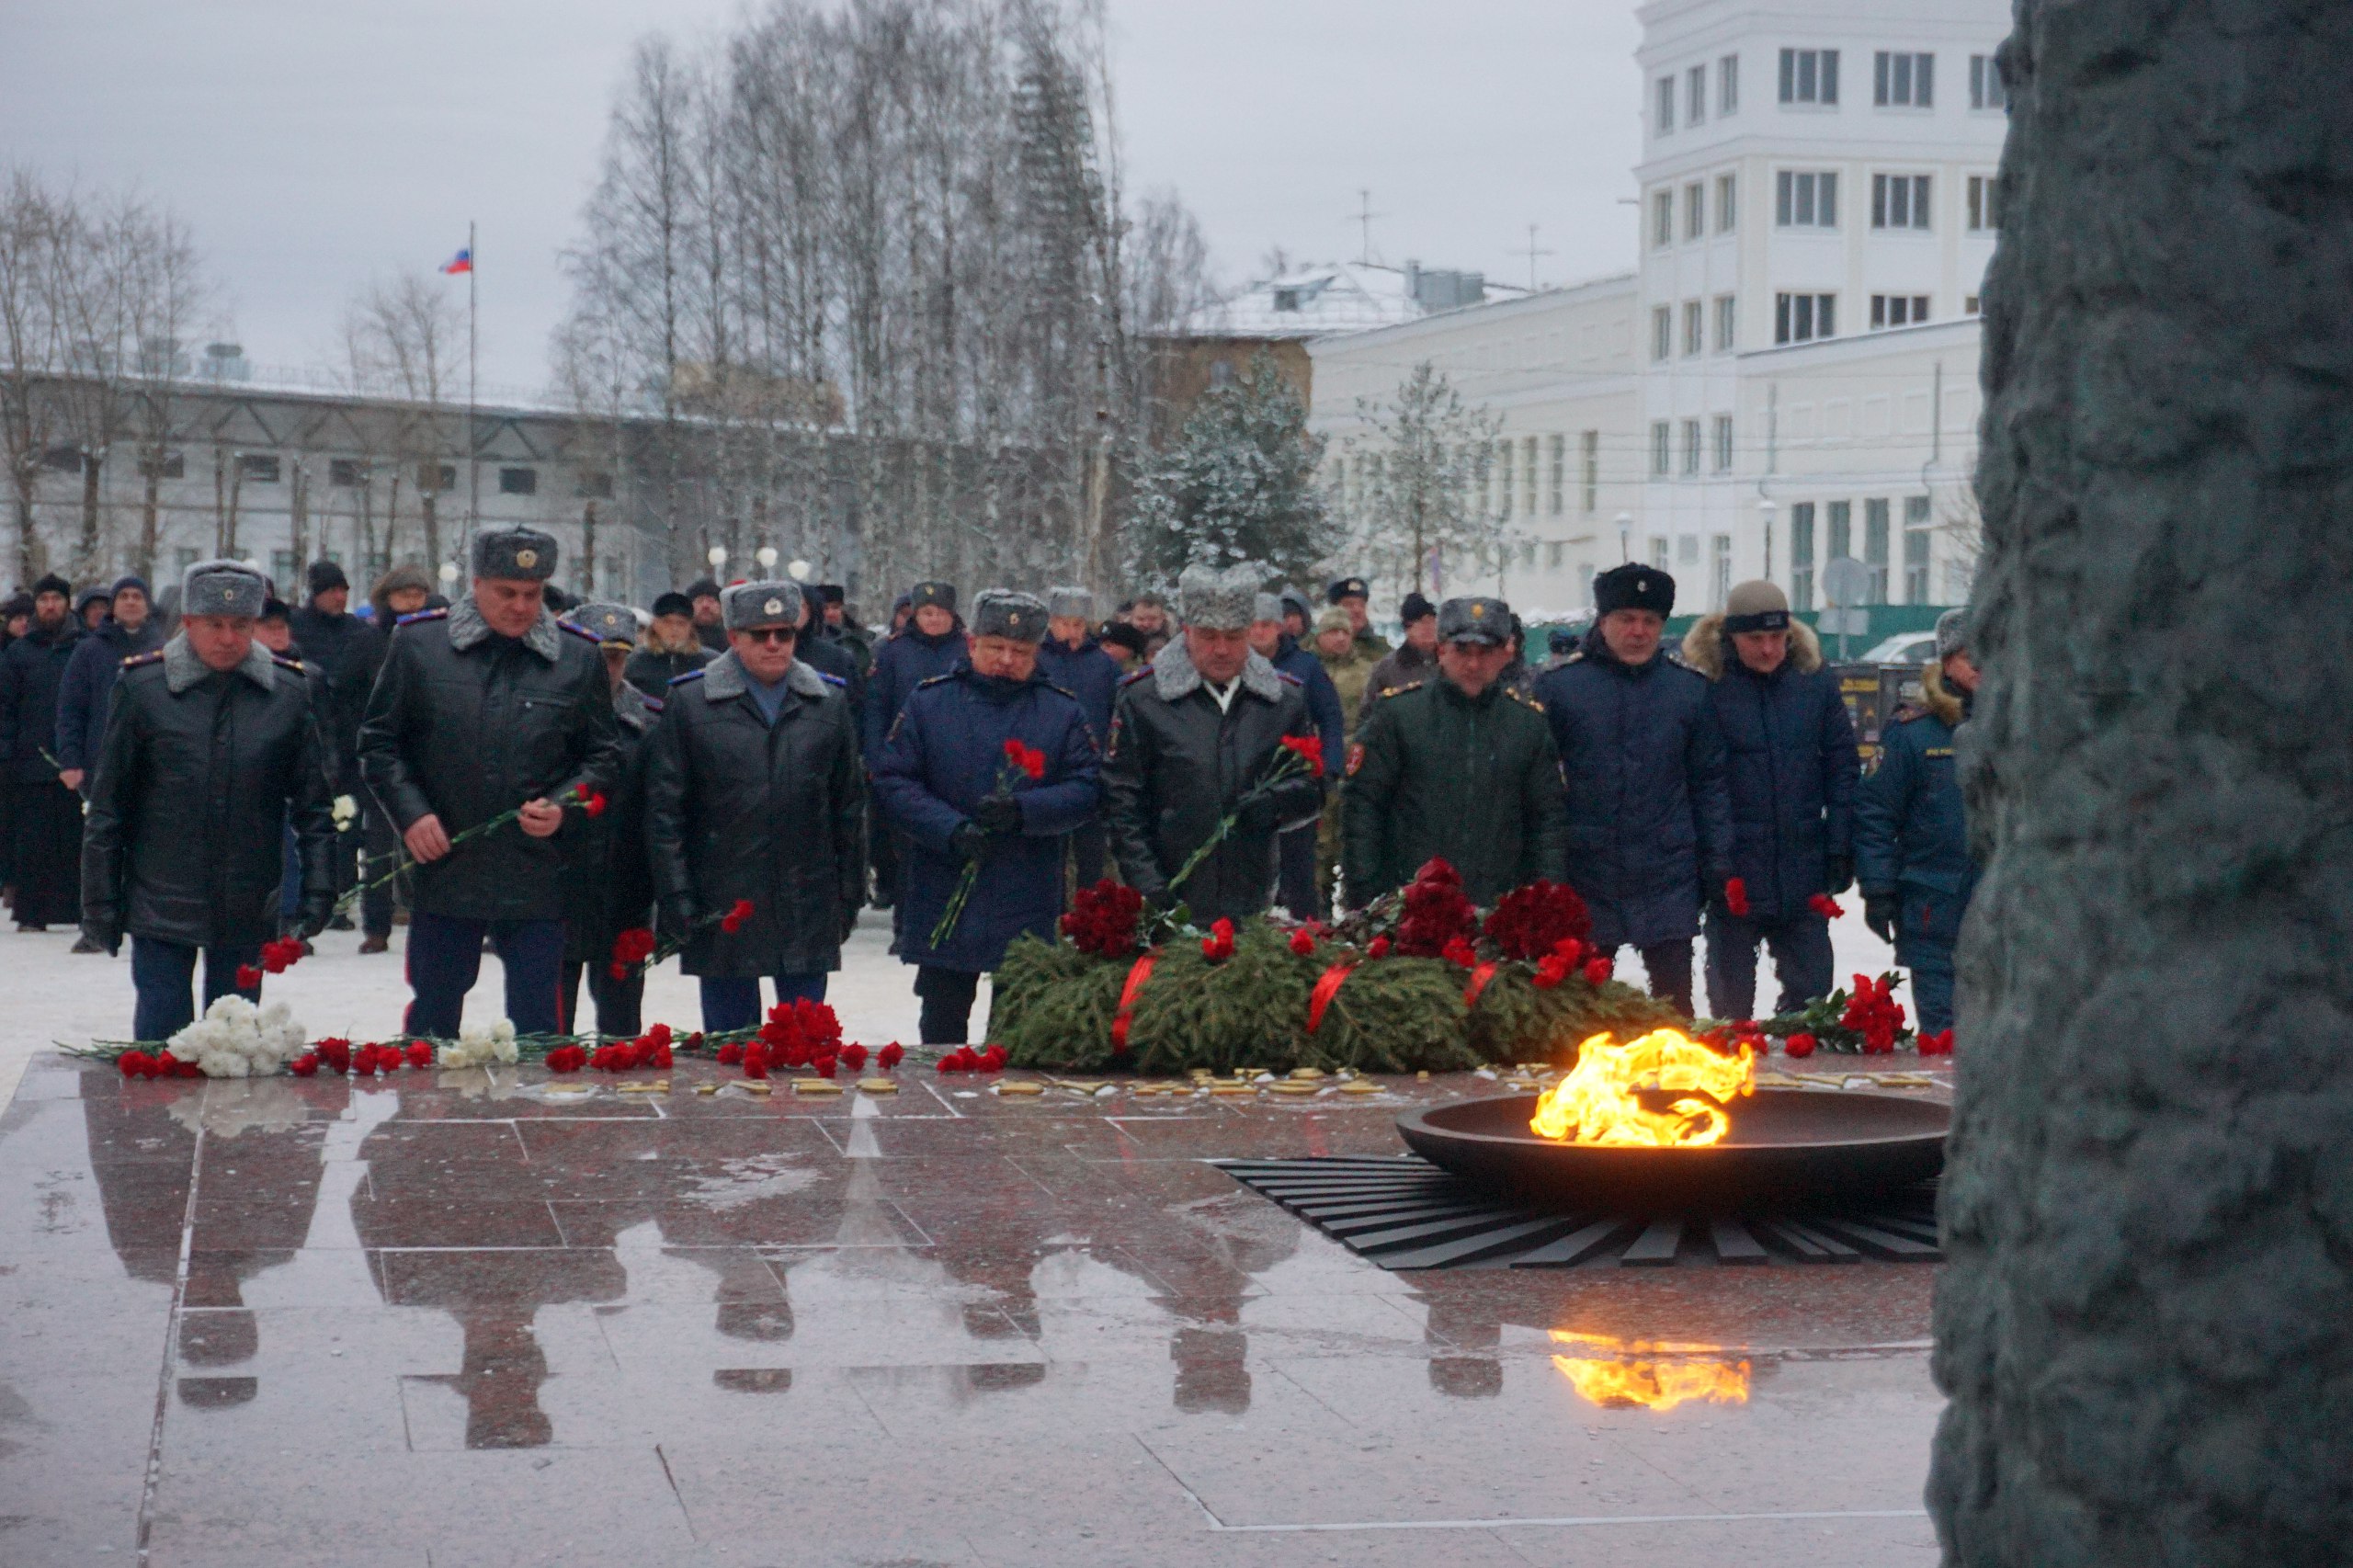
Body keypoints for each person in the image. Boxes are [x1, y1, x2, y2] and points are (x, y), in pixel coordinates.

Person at [358, 527, 623, 1038]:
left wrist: (565, 806)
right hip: (445, 864)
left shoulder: (577, 656)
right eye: (507, 592)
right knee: (433, 1019)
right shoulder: (420, 645)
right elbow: (379, 744)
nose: (521, 607)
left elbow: (603, 757)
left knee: (539, 1025)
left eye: (533, 594)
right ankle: (428, 1115)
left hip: (538, 872)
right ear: (476, 584)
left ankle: (537, 1115)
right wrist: (411, 816)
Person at [79, 561, 335, 1041]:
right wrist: (100, 901)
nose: (228, 638)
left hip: (249, 901)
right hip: (161, 898)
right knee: (161, 1044)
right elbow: (109, 806)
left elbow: (314, 809)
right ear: (189, 623)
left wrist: (319, 891)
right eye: (214, 625)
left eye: (240, 626)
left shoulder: (288, 692)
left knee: (234, 1045)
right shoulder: (143, 688)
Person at [872, 590, 1099, 1044]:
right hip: (946, 878)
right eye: (996, 647)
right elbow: (894, 781)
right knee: (941, 1025)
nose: (1006, 660)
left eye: (1020, 651)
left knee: (1019, 1028)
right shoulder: (929, 703)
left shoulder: (1062, 710)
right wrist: (948, 829)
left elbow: (1088, 787)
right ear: (972, 642)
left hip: (1027, 883)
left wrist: (1026, 811)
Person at [644, 580, 863, 1030]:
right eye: (759, 635)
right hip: (723, 897)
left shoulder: (827, 701)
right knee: (730, 1053)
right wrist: (677, 896)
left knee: (804, 1047)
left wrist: (849, 892)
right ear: (732, 638)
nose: (774, 645)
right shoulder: (691, 701)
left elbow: (848, 807)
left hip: (806, 895)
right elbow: (665, 811)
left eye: (784, 634)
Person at [1533, 563, 1733, 1015]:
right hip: (1587, 874)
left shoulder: (1689, 692)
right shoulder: (1561, 689)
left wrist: (1717, 860)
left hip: (1668, 875)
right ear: (1602, 622)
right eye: (1626, 619)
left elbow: (1709, 784)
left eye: (1649, 621)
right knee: (1578, 1015)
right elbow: (1540, 786)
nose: (1638, 632)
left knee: (1674, 1011)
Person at [1101, 563, 1322, 924]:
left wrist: (1275, 804)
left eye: (1233, 637)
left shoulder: (1283, 700)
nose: (1221, 649)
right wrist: (1151, 888)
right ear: (1186, 631)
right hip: (1168, 895)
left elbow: (1313, 787)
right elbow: (1121, 802)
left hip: (1252, 898)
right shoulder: (1144, 699)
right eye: (1207, 636)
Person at [1680, 582, 1860, 1021]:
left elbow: (1842, 767)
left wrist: (1840, 844)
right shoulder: (1707, 688)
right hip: (1734, 875)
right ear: (1731, 638)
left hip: (1803, 868)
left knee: (1814, 1005)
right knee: (1730, 1011)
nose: (1768, 650)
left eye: (1777, 638)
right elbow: (1701, 782)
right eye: (1754, 640)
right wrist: (1714, 861)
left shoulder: (1814, 684)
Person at [1342, 597, 1567, 906]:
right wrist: (1367, 901)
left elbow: (1547, 822)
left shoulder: (1526, 725)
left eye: (1485, 652)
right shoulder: (1398, 717)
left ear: (1505, 654)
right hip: (1409, 913)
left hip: (1500, 913)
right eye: (1462, 651)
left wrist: (1545, 901)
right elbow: (1363, 809)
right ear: (1441, 650)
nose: (1473, 665)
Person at [1857, 607, 1980, 1038]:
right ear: (1947, 662)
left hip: (2006, 910)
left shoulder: (2020, 730)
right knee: (1943, 1043)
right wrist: (1878, 889)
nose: (1983, 666)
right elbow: (1874, 815)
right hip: (1934, 908)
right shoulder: (1914, 734)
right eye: (1971, 656)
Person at [559, 602, 661, 1036]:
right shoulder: (549, 711)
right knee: (548, 1024)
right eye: (600, 657)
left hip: (625, 888)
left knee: (621, 1022)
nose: (610, 668)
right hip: (556, 884)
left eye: (618, 657)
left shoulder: (651, 721)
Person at [288, 561, 384, 930]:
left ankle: (341, 898)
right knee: (316, 822)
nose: (339, 597)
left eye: (343, 590)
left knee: (349, 824)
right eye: (331, 591)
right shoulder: (298, 628)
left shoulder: (358, 632)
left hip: (349, 737)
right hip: (309, 734)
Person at [863, 581, 965, 908]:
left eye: (941, 613)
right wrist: (877, 757)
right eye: (926, 613)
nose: (934, 620)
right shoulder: (893, 651)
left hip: (956, 759)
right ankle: (905, 919)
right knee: (906, 843)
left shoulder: (968, 650)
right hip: (906, 760)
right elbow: (877, 706)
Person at [351, 565, 435, 954]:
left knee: (431, 844)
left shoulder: (438, 638)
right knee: (380, 849)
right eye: (404, 594)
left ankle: (429, 918)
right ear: (387, 597)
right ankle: (376, 925)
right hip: (383, 753)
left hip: (428, 753)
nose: (412, 601)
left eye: (419, 593)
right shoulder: (370, 642)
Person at [1250, 592, 1345, 919]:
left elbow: (1330, 716)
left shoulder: (1305, 665)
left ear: (1279, 628)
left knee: (1299, 870)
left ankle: (1307, 934)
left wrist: (1329, 769)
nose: (1258, 632)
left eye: (1266, 625)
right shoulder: (1237, 665)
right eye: (1252, 625)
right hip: (1248, 781)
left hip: (1295, 780)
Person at [0, 574, 83, 931]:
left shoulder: (84, 647)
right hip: (30, 760)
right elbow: (7, 707)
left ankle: (78, 911)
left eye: (57, 599)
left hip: (76, 760)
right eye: (44, 599)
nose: (50, 605)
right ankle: (31, 913)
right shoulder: (19, 653)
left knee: (76, 839)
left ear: (67, 603)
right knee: (33, 841)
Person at [1035, 585, 1120, 886]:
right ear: (1051, 622)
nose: (1071, 631)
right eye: (1064, 623)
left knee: (1090, 851)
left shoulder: (1104, 665)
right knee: (1050, 850)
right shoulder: (1037, 660)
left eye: (1078, 624)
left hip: (1090, 766)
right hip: (1046, 765)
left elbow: (1115, 713)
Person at [55, 574, 164, 797]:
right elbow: (71, 710)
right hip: (100, 762)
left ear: (148, 606)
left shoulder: (165, 652)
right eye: (124, 596)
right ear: (113, 606)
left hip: (153, 766)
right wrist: (70, 761)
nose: (131, 601)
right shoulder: (89, 651)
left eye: (137, 596)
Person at [1311, 606, 1377, 908]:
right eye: (1332, 632)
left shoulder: (1366, 671)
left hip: (1355, 763)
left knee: (1350, 833)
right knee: (1320, 839)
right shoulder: (1310, 669)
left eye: (1344, 632)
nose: (1339, 639)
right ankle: (1317, 899)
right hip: (1315, 760)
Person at [625, 590, 710, 698]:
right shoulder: (634, 664)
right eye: (667, 622)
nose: (674, 629)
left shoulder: (708, 664)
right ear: (655, 624)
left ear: (690, 627)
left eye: (681, 623)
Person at [1362, 592, 1438, 713]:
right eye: (1421, 622)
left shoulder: (1449, 662)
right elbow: (1368, 714)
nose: (1428, 628)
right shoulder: (1387, 669)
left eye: (1431, 621)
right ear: (1407, 628)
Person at [1327, 575, 1392, 660]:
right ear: (1334, 610)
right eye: (1349, 605)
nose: (1357, 610)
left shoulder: (1382, 651)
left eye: (1362, 605)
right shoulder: (1318, 648)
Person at [814, 584, 873, 677]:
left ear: (842, 608)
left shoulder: (859, 637)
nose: (830, 613)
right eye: (825, 608)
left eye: (835, 607)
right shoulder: (809, 637)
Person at [685, 578, 728, 653]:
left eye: (711, 601)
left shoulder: (733, 637)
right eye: (699, 601)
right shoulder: (682, 637)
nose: (705, 605)